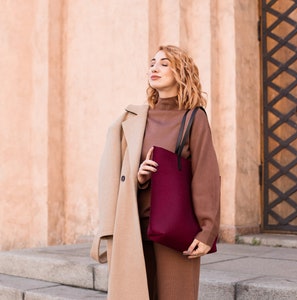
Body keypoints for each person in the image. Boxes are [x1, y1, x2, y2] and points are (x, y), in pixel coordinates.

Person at [90, 45, 220, 300]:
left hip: (175, 227)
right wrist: (140, 178)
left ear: (181, 72)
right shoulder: (135, 119)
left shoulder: (194, 117)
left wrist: (207, 231)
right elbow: (120, 171)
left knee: (176, 295)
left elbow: (206, 175)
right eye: (152, 63)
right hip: (136, 225)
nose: (154, 68)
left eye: (164, 63)